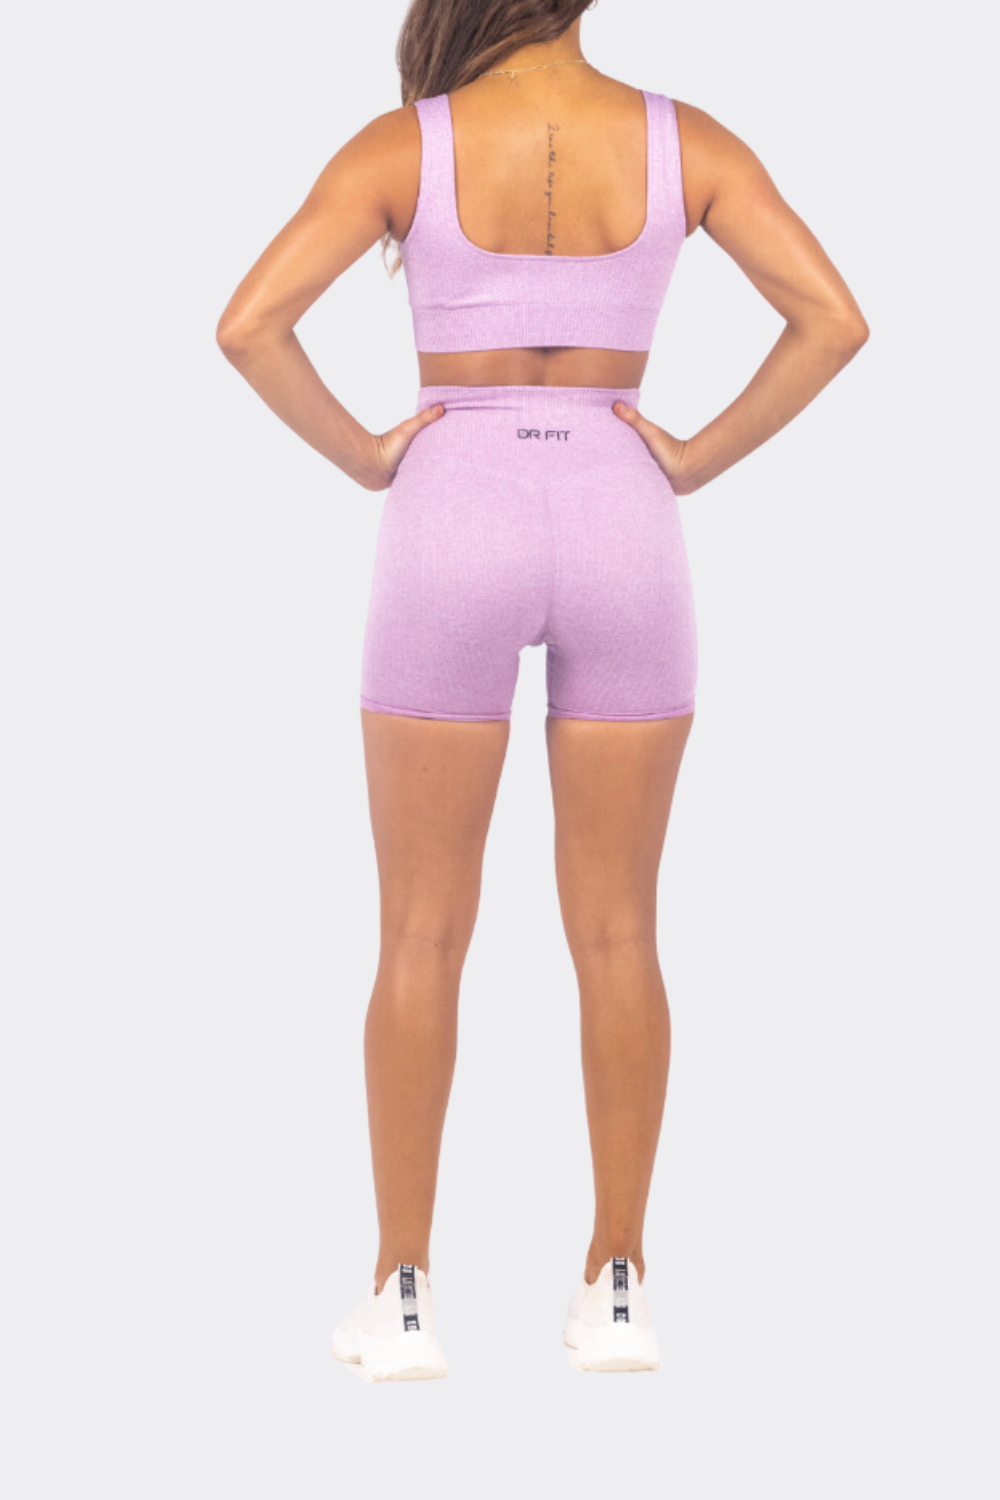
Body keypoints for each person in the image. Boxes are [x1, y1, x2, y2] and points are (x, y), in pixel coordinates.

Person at [217, 0, 868, 1381]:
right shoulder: (685, 142)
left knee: (420, 931)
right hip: (627, 517)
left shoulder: (407, 145)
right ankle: (617, 1285)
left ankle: (401, 1295)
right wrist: (692, 458)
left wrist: (363, 454)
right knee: (621, 932)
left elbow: (250, 324)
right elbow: (834, 319)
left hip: (449, 510)